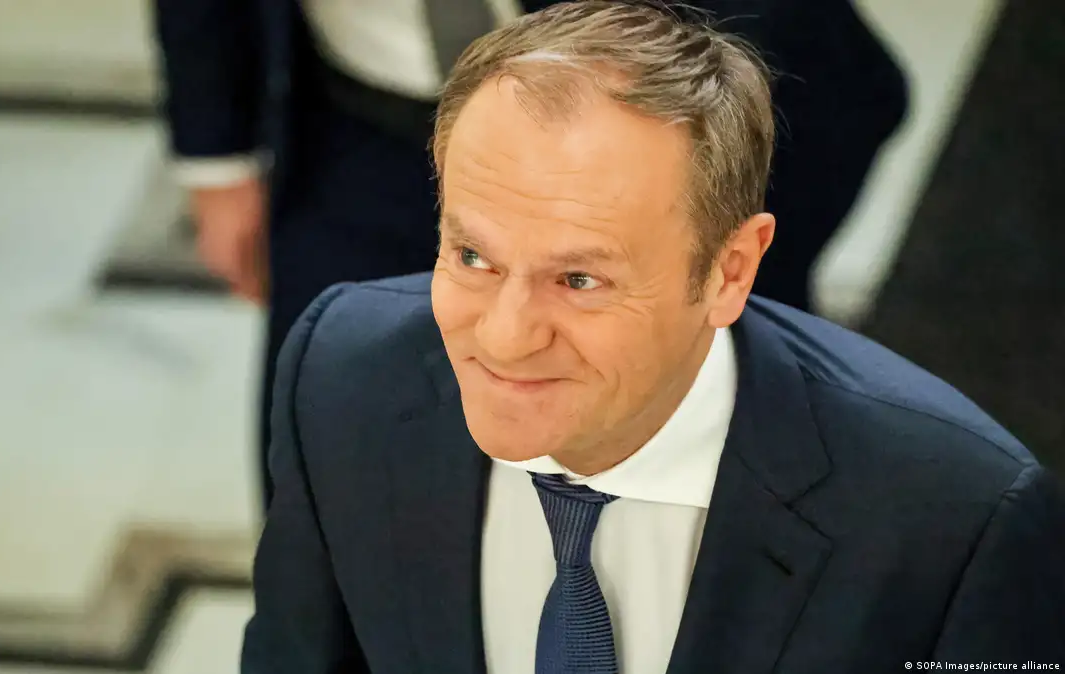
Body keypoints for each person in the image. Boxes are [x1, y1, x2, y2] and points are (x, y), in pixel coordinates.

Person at [240, 4, 1064, 672]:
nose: (504, 338)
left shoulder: (956, 523)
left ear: (730, 271)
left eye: (579, 280)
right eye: (473, 257)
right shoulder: (339, 379)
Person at [151, 0, 908, 508]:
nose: (508, 335)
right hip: (357, 132)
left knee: (703, 464)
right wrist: (216, 157)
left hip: (657, 130)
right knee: (331, 466)